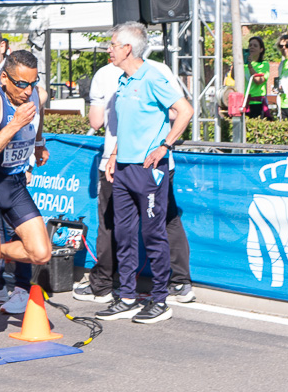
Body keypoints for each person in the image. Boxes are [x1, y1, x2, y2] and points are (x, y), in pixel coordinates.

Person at [76, 49, 197, 307]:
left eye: (113, 43)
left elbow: (181, 110)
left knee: (153, 228)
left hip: (150, 165)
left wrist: (163, 144)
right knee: (127, 229)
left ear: (128, 47)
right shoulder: (122, 78)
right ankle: (129, 294)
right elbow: (129, 124)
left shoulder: (152, 75)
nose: (108, 48)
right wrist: (115, 153)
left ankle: (157, 297)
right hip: (120, 163)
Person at [0, 49, 52, 338]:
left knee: (41, 253)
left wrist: (39, 143)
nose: (27, 92)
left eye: (33, 83)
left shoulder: (35, 95)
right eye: (21, 84)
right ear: (4, 78)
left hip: (14, 183)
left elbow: (37, 117)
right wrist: (14, 123)